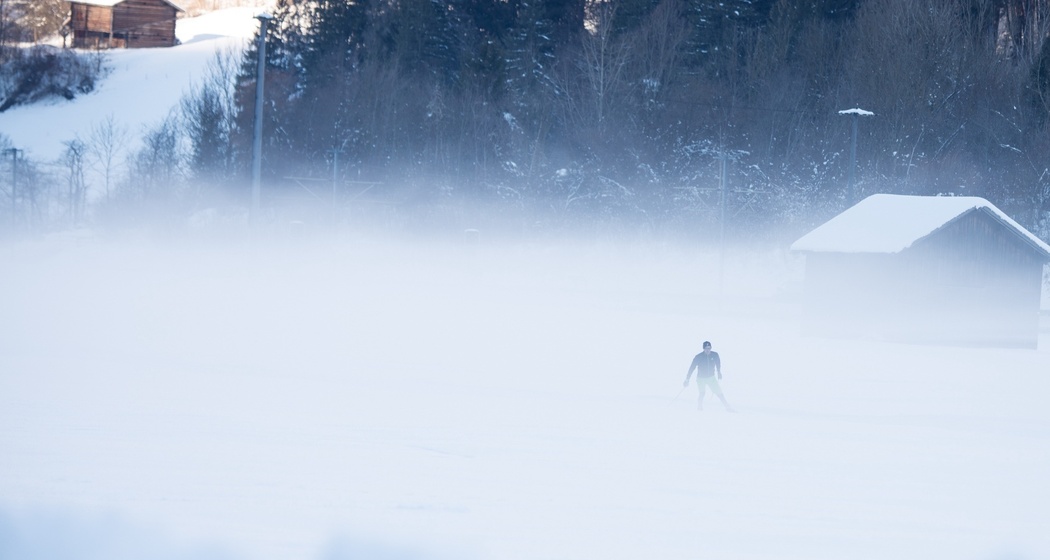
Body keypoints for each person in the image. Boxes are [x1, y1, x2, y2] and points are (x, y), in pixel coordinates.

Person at [683, 341, 735, 412]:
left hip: (711, 378)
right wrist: (687, 379)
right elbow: (692, 368)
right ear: (703, 349)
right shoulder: (698, 357)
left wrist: (719, 372)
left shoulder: (715, 355)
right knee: (702, 393)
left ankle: (727, 407)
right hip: (701, 378)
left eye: (709, 348)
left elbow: (718, 363)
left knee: (719, 393)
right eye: (706, 348)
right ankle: (699, 407)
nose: (708, 350)